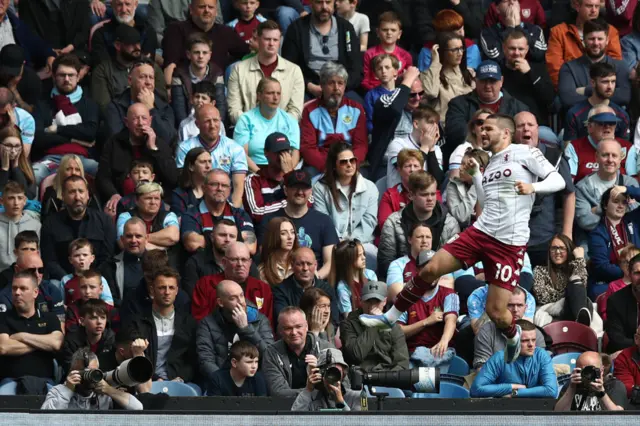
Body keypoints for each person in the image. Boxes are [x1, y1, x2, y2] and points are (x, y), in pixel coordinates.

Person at [362, 113, 565, 364]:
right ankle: (389, 317)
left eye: (489, 128)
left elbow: (558, 180)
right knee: (431, 268)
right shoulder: (491, 162)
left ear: (505, 133)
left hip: (508, 244)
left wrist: (534, 188)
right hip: (480, 232)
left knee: (497, 312)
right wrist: (478, 175)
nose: (483, 132)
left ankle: (513, 336)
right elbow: (485, 201)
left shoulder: (526, 153)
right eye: (481, 128)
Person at [514, 112, 576, 264]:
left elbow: (569, 194)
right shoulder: (505, 158)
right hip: (513, 239)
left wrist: (567, 233)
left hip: (546, 237)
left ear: (537, 129)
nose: (526, 129)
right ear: (512, 132)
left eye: (530, 125)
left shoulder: (554, 156)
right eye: (520, 126)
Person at [96, 102, 179, 213]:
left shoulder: (159, 144)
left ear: (150, 121)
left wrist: (153, 149)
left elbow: (173, 178)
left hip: (154, 200)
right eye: (135, 119)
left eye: (144, 118)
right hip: (122, 200)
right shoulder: (113, 143)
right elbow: (102, 176)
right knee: (110, 211)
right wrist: (113, 194)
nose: (140, 123)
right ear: (126, 122)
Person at [31, 54, 100, 185]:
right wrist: (73, 139)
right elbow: (39, 138)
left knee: (101, 172)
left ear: (78, 77)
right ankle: (33, 206)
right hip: (50, 158)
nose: (67, 79)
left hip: (81, 158)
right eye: (62, 75)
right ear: (53, 76)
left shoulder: (89, 104)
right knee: (34, 174)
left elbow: (90, 133)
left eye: (71, 75)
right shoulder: (43, 104)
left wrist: (57, 129)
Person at [378, 171, 459, 279]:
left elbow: (453, 261)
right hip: (402, 280)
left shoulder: (449, 223)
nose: (430, 199)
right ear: (411, 195)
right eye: (424, 194)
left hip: (440, 280)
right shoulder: (393, 222)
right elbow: (385, 263)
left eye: (433, 194)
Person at [259, 171, 338, 279]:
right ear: (286, 190)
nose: (300, 192)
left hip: (313, 283)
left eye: (304, 188)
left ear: (310, 191)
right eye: (295, 187)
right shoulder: (270, 220)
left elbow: (330, 262)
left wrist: (313, 279)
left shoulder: (324, 221)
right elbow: (264, 256)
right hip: (278, 280)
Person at [444, 61, 529, 160]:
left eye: (492, 81)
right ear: (476, 80)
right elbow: (455, 134)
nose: (488, 86)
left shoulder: (518, 108)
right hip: (468, 158)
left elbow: (522, 137)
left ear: (501, 81)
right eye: (484, 81)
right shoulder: (458, 104)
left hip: (509, 159)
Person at [127, 267, 197, 384]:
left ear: (177, 291)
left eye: (171, 288)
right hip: (147, 381)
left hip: (180, 382)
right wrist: (154, 378)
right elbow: (134, 356)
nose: (167, 292)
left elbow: (193, 359)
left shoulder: (188, 322)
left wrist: (181, 378)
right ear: (152, 290)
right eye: (162, 288)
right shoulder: (138, 322)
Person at [312, 143, 378, 267]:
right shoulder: (320, 188)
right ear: (334, 166)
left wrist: (351, 245)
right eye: (343, 162)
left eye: (352, 160)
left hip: (362, 243)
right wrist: (339, 242)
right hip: (332, 243)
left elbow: (369, 222)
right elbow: (323, 220)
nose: (349, 165)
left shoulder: (370, 188)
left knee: (371, 254)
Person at [227, 20, 304, 125]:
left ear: (280, 41)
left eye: (275, 40)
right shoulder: (239, 69)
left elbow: (295, 111)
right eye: (267, 39)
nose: (271, 43)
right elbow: (234, 110)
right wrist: (255, 127)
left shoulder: (294, 71)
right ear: (258, 39)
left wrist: (275, 127)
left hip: (282, 131)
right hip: (249, 131)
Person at [196, 279, 274, 382]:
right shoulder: (207, 324)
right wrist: (224, 382)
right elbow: (205, 360)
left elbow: (270, 356)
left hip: (254, 382)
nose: (241, 301)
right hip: (220, 382)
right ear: (220, 302)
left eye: (241, 295)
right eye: (233, 298)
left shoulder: (260, 320)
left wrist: (245, 328)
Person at [281, 0, 362, 97]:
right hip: (307, 88)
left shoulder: (346, 28)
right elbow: (288, 66)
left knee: (358, 108)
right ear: (311, 3)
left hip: (341, 88)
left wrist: (339, 86)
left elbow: (356, 69)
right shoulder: (296, 29)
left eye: (328, 2)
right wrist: (308, 86)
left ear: (334, 3)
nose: (324, 7)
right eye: (319, 2)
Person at [41, 176, 115, 280]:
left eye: (81, 191)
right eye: (72, 192)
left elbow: (107, 258)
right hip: (63, 281)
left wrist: (91, 279)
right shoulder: (50, 224)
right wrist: (69, 280)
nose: (77, 197)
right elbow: (50, 261)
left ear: (88, 194)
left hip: (97, 280)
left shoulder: (104, 221)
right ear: (63, 196)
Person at [299, 63, 367, 175]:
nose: (336, 88)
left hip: (349, 163)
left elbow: (361, 145)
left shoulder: (356, 109)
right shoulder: (310, 111)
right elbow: (308, 148)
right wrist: (329, 168)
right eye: (331, 83)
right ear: (322, 85)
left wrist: (349, 165)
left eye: (340, 83)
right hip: (320, 165)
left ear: (345, 86)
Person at [175, 105, 247, 207]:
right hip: (195, 202)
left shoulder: (235, 148)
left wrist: (232, 212)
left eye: (216, 120)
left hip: (226, 202)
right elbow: (184, 182)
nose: (212, 125)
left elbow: (238, 187)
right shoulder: (185, 148)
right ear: (197, 124)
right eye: (207, 121)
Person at [0, 271, 63, 385]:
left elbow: (56, 343)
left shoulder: (49, 318)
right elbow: (4, 347)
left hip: (45, 382)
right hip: (11, 382)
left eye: (23, 288)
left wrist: (21, 336)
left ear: (35, 292)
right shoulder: (3, 318)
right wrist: (43, 344)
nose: (17, 293)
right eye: (14, 288)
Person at [162, 0, 249, 81]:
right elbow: (170, 65)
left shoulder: (225, 32)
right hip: (186, 87)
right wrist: (169, 89)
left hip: (218, 88)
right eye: (202, 7)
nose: (207, 10)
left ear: (216, 11)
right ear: (191, 9)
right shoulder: (176, 29)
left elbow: (247, 53)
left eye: (211, 7)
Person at [90, 25, 168, 113]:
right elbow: (104, 107)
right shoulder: (103, 71)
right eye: (131, 44)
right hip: (118, 120)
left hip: (152, 116)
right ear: (118, 45)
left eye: (138, 43)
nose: (137, 48)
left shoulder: (151, 67)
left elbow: (163, 99)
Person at [471, 320, 557, 397]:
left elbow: (551, 391)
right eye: (524, 341)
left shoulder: (542, 355)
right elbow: (476, 389)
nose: (531, 344)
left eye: (533, 340)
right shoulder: (499, 358)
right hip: (505, 409)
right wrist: (511, 387)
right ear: (514, 341)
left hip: (536, 409)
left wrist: (515, 393)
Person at [546, 0, 622, 88]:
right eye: (589, 6)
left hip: (603, 89)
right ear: (577, 6)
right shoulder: (559, 32)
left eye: (596, 6)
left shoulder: (610, 31)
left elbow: (615, 64)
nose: (594, 10)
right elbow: (555, 70)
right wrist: (569, 90)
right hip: (571, 89)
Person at [558, 20, 631, 111]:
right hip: (580, 121)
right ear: (584, 40)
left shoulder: (620, 66)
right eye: (591, 39)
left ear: (607, 40)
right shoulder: (568, 68)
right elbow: (568, 99)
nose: (596, 43)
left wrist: (586, 90)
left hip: (613, 121)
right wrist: (606, 95)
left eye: (600, 39)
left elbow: (624, 96)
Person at [262, 306, 334, 397]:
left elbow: (342, 386)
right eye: (288, 328)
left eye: (298, 326)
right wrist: (309, 390)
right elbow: (278, 392)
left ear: (307, 326)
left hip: (321, 408)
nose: (294, 332)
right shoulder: (271, 353)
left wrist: (322, 370)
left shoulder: (327, 348)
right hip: (287, 408)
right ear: (280, 330)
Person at [367, 66, 423, 181]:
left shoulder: (423, 111)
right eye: (412, 94)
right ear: (400, 91)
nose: (417, 98)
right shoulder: (383, 101)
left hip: (417, 167)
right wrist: (408, 79)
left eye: (421, 93)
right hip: (386, 167)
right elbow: (394, 108)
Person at [192, 242, 272, 322]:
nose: (240, 264)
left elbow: (268, 325)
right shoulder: (205, 284)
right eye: (234, 259)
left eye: (244, 260)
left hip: (254, 333)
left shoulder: (263, 289)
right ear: (224, 262)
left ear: (250, 263)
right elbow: (200, 321)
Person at [396, 256, 459, 358]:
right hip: (413, 355)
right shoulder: (406, 296)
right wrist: (426, 322)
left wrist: (444, 341)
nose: (431, 273)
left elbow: (451, 320)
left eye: (435, 268)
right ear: (417, 271)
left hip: (442, 353)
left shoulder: (449, 294)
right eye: (426, 268)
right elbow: (398, 332)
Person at [41, 348, 143, 410]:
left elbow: (138, 408)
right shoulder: (58, 391)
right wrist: (68, 390)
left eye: (93, 371)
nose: (89, 377)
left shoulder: (103, 393)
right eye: (85, 371)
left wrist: (110, 390)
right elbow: (45, 420)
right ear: (73, 370)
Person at [340, 280, 409, 371]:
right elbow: (356, 355)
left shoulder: (393, 327)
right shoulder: (348, 324)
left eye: (377, 301)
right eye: (368, 301)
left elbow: (402, 364)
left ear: (384, 301)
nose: (372, 306)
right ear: (361, 301)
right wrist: (374, 324)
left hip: (387, 379)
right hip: (360, 378)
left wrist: (387, 378)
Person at [575, 139, 638, 237]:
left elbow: (636, 215)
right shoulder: (582, 187)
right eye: (605, 155)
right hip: (592, 241)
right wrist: (621, 210)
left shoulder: (630, 183)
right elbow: (585, 221)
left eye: (614, 155)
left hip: (627, 239)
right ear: (596, 157)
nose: (610, 160)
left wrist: (597, 210)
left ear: (620, 159)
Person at [180, 169, 254, 253]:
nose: (219, 188)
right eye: (214, 184)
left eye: (224, 185)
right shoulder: (191, 214)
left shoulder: (240, 214)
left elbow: (251, 246)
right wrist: (237, 239)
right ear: (204, 188)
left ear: (229, 190)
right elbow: (192, 243)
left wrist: (212, 239)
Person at [235, 81, 300, 174]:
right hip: (255, 171)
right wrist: (260, 174)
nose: (275, 97)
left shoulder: (290, 120)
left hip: (283, 170)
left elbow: (295, 153)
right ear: (259, 96)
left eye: (278, 93)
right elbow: (242, 154)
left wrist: (287, 173)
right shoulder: (245, 119)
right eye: (270, 93)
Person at [473, 286, 546, 370]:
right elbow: (481, 370)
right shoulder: (486, 332)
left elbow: (541, 367)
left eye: (519, 305)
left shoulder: (536, 333)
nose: (515, 310)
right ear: (501, 307)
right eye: (510, 305)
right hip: (495, 381)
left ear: (525, 308)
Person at [104, 59, 176, 143]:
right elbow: (116, 140)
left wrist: (151, 110)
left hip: (155, 154)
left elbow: (168, 139)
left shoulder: (164, 107)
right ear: (130, 81)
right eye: (142, 77)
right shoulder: (115, 107)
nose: (148, 82)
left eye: (151, 77)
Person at [589, 185, 640, 297]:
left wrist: (628, 190)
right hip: (612, 282)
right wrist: (631, 274)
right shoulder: (598, 233)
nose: (621, 206)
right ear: (605, 205)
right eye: (616, 201)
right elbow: (601, 266)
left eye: (624, 202)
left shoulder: (633, 220)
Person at [181, 219, 253, 297]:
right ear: (212, 237)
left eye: (232, 236)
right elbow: (194, 298)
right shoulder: (195, 263)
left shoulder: (246, 263)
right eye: (222, 235)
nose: (227, 240)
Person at [272, 248, 339, 329]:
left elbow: (334, 321)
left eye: (309, 264)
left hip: (324, 335)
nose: (305, 268)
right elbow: (283, 321)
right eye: (300, 264)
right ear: (292, 265)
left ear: (315, 265)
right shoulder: (281, 290)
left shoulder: (326, 289)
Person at [532, 235, 592, 324]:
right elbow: (543, 297)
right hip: (550, 309)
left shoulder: (573, 268)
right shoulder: (539, 270)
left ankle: (581, 322)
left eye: (562, 248)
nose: (557, 251)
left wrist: (579, 259)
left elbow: (582, 287)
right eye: (554, 248)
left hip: (571, 309)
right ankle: (580, 321)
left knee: (576, 281)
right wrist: (569, 294)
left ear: (568, 250)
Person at [170, 32, 226, 126]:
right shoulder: (179, 75)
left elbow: (221, 106)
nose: (201, 56)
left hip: (211, 125)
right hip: (187, 126)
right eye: (196, 52)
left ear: (210, 55)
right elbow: (179, 111)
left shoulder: (217, 73)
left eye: (204, 53)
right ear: (188, 54)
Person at [500, 29, 555, 124]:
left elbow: (550, 99)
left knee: (549, 137)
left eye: (521, 49)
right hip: (504, 123)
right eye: (512, 48)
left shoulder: (538, 69)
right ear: (504, 48)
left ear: (527, 50)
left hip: (534, 125)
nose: (516, 53)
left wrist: (530, 73)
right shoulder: (497, 70)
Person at [384, 106, 445, 190]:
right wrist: (425, 147)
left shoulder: (436, 149)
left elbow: (437, 181)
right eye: (431, 122)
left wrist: (431, 149)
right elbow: (411, 176)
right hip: (400, 199)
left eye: (436, 123)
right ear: (416, 124)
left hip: (425, 199)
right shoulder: (398, 144)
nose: (435, 127)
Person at [243, 132, 299, 223]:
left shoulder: (298, 176)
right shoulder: (254, 180)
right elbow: (256, 213)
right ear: (266, 153)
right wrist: (290, 204)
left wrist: (289, 175)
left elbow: (308, 202)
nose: (283, 157)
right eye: (278, 152)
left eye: (286, 151)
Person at [421, 33, 474, 120]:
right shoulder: (429, 75)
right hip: (443, 127)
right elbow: (431, 93)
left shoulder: (469, 73)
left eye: (461, 48)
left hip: (468, 125)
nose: (460, 53)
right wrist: (435, 63)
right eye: (454, 50)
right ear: (442, 51)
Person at [91, 0, 158, 67]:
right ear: (112, 5)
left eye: (128, 4)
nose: (124, 10)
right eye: (119, 4)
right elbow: (103, 68)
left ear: (136, 4)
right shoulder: (100, 34)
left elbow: (147, 66)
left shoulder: (148, 32)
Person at [291, 347, 361, 411]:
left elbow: (358, 423)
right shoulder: (310, 398)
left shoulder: (354, 397)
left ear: (343, 374)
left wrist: (340, 402)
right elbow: (295, 420)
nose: (332, 376)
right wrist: (308, 390)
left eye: (336, 372)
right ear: (320, 373)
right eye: (329, 372)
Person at [116, 182, 180, 251]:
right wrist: (162, 247)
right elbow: (123, 243)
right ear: (137, 201)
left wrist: (141, 241)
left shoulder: (169, 215)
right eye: (148, 198)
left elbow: (173, 237)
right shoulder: (125, 217)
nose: (153, 202)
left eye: (156, 198)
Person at [479, 0, 547, 64]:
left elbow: (539, 54)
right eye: (506, 1)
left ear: (519, 6)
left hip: (529, 72)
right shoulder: (488, 33)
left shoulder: (535, 29)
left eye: (514, 0)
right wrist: (510, 29)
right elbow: (496, 57)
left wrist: (518, 27)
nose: (511, 3)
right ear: (497, 9)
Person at [565, 104, 630, 168]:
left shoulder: (627, 148)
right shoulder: (574, 148)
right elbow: (569, 178)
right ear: (590, 127)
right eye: (602, 123)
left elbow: (633, 178)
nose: (607, 126)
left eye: (611, 122)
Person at [59, 299, 116, 374]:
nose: (99, 322)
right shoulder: (71, 340)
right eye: (93, 318)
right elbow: (69, 368)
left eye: (103, 317)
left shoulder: (111, 338)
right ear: (82, 321)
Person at [99, 218, 146, 305]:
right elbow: (111, 301)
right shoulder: (110, 266)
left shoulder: (159, 263)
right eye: (129, 236)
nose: (133, 240)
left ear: (146, 238)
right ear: (122, 239)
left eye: (138, 236)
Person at [556, 351, 626, 410]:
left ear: (602, 370)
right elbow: (557, 415)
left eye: (591, 370)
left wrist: (601, 393)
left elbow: (617, 417)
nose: (588, 374)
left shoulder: (614, 385)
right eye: (584, 371)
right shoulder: (572, 385)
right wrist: (571, 388)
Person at [417, 9, 482, 72]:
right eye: (457, 31)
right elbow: (425, 79)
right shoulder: (427, 50)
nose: (462, 33)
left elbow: (469, 76)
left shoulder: (470, 48)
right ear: (443, 34)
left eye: (463, 29)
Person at [361, 12, 412, 92]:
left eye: (393, 30)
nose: (389, 33)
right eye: (385, 30)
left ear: (399, 34)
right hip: (375, 94)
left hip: (398, 94)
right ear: (377, 32)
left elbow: (409, 79)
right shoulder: (369, 54)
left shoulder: (405, 55)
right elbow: (365, 80)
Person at [16, 0, 89, 56]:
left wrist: (71, 47)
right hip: (42, 54)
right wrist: (48, 52)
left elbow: (83, 29)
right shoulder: (27, 2)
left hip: (75, 50)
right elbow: (28, 31)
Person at [379, 149, 428, 231]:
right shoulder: (390, 195)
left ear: (422, 169)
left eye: (416, 166)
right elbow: (384, 225)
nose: (412, 170)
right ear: (399, 170)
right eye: (408, 166)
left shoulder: (432, 193)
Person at [40, 154, 100, 219]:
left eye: (77, 169)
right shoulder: (51, 194)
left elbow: (98, 218)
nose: (73, 173)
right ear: (62, 171)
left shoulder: (90, 192)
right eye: (68, 169)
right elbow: (46, 221)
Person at [330, 240, 377, 318]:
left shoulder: (370, 275)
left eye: (363, 254)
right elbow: (348, 317)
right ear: (348, 260)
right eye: (359, 255)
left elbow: (377, 302)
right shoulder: (342, 287)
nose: (364, 258)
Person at [0, 181, 40, 271]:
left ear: (25, 201)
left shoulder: (35, 225)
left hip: (26, 274)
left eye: (20, 198)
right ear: (2, 201)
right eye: (11, 198)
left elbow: (38, 256)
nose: (16, 203)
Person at [61, 240, 114, 307]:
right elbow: (61, 304)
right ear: (70, 260)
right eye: (77, 255)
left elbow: (109, 303)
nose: (81, 258)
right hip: (73, 316)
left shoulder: (100, 279)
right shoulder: (65, 280)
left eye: (85, 255)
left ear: (92, 258)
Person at [446, 148, 490, 227]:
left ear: (480, 170)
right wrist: (476, 184)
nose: (460, 168)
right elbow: (460, 217)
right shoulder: (453, 185)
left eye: (464, 165)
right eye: (461, 163)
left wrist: (478, 180)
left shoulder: (491, 187)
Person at [605, 255, 640, 353]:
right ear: (629, 274)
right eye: (637, 273)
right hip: (626, 353)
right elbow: (617, 340)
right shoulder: (615, 301)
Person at [598, 245, 640, 320]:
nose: (630, 266)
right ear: (620, 264)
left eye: (634, 262)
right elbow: (605, 312)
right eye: (627, 262)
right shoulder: (613, 286)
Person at [448, 109, 492, 178]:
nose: (484, 126)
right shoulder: (462, 149)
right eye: (480, 122)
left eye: (489, 123)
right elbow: (455, 180)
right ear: (473, 129)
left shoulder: (499, 152)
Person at [363, 53, 399, 133]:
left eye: (387, 67)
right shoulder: (371, 95)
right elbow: (369, 121)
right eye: (379, 68)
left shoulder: (401, 92)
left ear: (395, 71)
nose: (383, 71)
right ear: (375, 74)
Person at [171, 147, 212, 216]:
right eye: (203, 162)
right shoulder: (179, 194)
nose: (208, 166)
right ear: (191, 166)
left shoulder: (216, 190)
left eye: (210, 161)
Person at [258, 217, 297, 286]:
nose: (290, 237)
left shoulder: (302, 262)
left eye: (292, 232)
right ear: (273, 236)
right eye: (283, 233)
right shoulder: (263, 271)